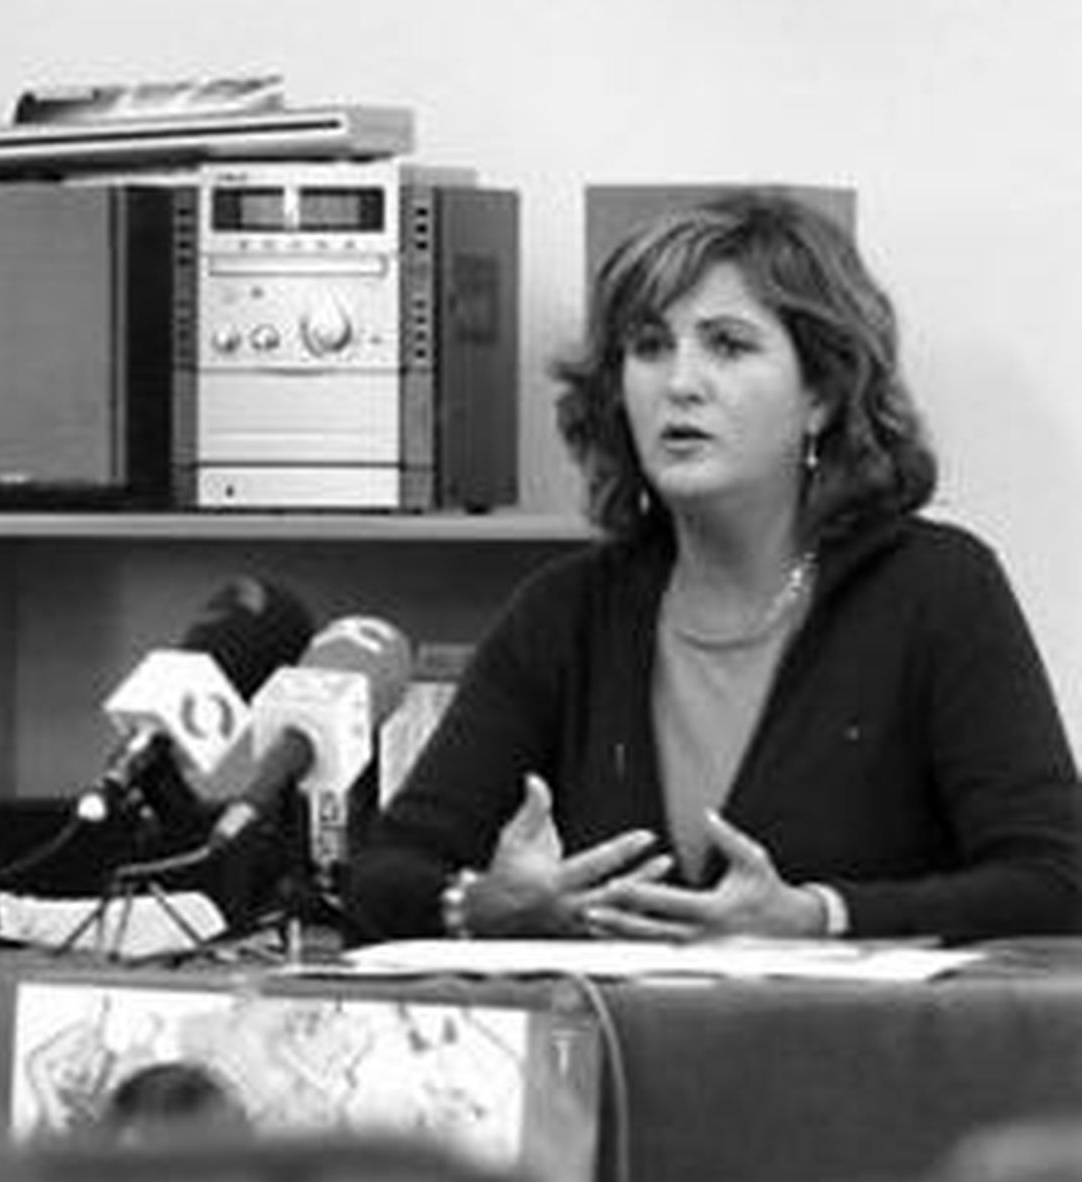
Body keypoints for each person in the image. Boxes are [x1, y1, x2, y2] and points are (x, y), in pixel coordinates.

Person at [348, 190, 1082, 947]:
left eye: (727, 346)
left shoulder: (935, 590)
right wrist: (482, 904)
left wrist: (822, 916)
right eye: (649, 346)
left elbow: (1055, 883)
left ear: (823, 395)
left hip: (856, 1057)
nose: (680, 383)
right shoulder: (566, 613)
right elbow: (383, 874)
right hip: (617, 1058)